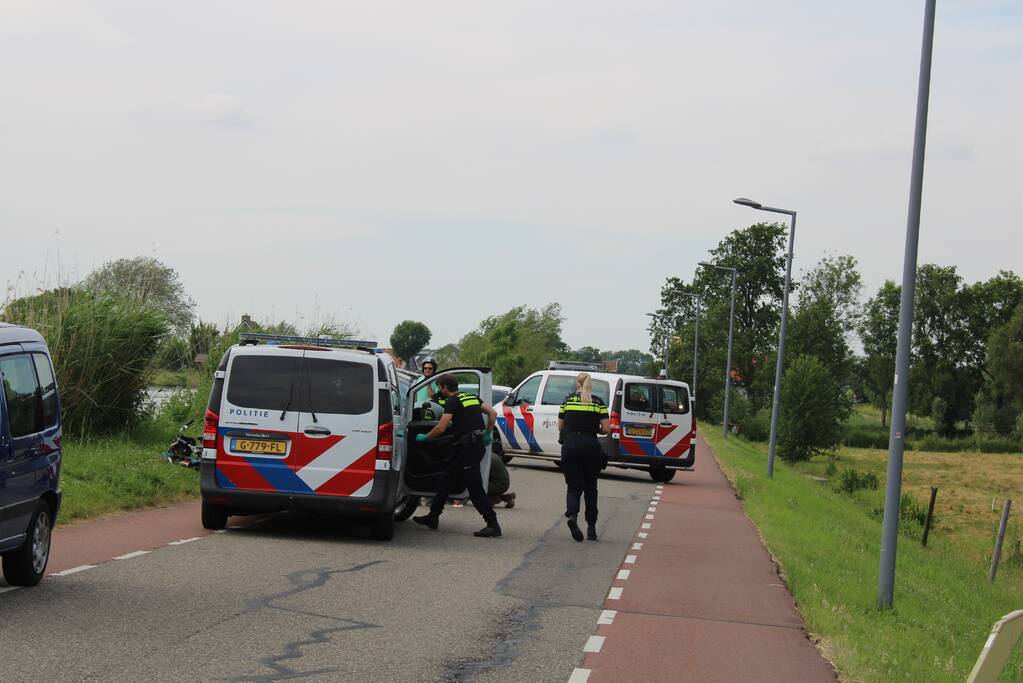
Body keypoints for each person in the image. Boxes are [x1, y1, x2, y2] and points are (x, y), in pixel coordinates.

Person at [413, 374, 502, 538]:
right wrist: (488, 432)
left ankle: (493, 524)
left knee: (475, 488)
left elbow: (441, 427)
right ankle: (433, 516)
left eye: (440, 387)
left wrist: (426, 437)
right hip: (470, 446)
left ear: (445, 387)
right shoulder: (471, 397)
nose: (439, 390)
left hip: (469, 449)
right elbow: (492, 413)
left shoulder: (452, 401)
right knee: (447, 479)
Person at [558, 372, 609, 542]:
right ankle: (591, 528)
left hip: (570, 447)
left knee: (573, 486)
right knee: (591, 488)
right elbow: (606, 429)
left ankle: (572, 516)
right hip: (590, 448)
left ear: (577, 384)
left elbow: (560, 426)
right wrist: (595, 429)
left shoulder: (567, 401)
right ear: (590, 384)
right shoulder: (598, 402)